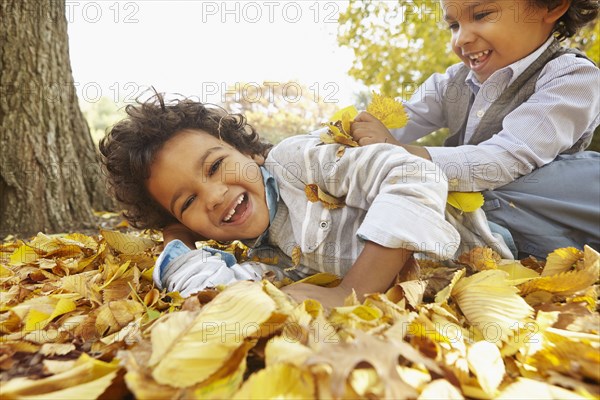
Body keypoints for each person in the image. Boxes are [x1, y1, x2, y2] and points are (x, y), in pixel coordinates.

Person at [99, 94, 510, 307]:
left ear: (250, 153)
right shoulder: (261, 256)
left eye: (215, 166)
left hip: (508, 217)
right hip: (484, 272)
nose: (214, 195)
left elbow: (413, 173)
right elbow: (211, 290)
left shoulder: (296, 164)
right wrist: (178, 238)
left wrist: (354, 292)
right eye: (187, 202)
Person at [351, 0, 600, 259]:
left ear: (551, 6)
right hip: (468, 205)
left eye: (482, 15)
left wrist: (400, 152)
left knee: (588, 173)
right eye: (454, 25)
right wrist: (353, 136)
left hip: (529, 215)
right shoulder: (452, 83)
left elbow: (504, 158)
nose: (462, 39)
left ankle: (480, 242)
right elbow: (398, 120)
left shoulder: (573, 76)